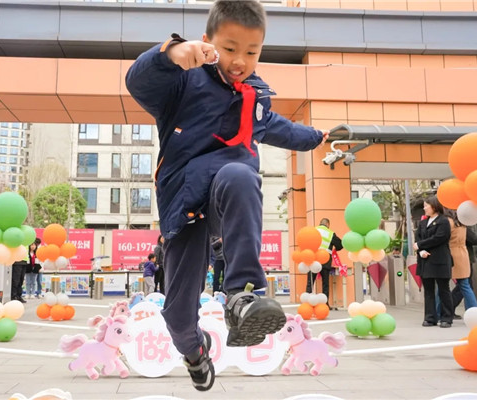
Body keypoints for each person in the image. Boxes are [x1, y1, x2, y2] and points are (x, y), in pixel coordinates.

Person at [126, 0, 328, 391]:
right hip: (185, 206)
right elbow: (138, 82)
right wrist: (170, 53)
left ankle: (243, 294)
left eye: (251, 52)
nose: (240, 61)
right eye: (230, 48)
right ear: (208, 41)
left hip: (226, 194)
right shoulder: (183, 83)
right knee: (177, 316)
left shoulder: (254, 100)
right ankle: (193, 351)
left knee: (239, 174)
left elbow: (282, 129)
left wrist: (317, 136)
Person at [413, 196, 453, 328]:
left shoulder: (443, 221)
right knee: (428, 290)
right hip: (425, 260)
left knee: (443, 289)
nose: (424, 208)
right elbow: (418, 239)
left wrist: (420, 245)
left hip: (440, 259)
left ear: (434, 206)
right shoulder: (423, 223)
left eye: (426, 205)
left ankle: (446, 317)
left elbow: (440, 238)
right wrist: (421, 251)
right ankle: (430, 317)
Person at [445, 210, 477, 316]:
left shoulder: (450, 223)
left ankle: (447, 310)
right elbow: (474, 239)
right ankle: (472, 312)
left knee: (459, 285)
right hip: (464, 257)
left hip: (454, 256)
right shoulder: (461, 224)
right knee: (465, 285)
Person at [305, 218, 343, 309]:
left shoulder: (313, 230)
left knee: (310, 282)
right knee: (325, 283)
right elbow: (340, 245)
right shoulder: (330, 233)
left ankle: (307, 303)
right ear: (328, 224)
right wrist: (334, 248)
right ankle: (325, 304)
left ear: (320, 223)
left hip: (313, 260)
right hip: (325, 261)